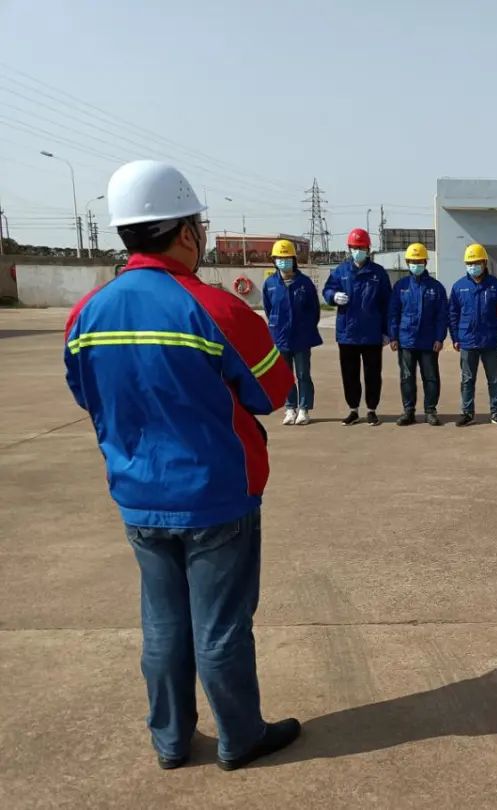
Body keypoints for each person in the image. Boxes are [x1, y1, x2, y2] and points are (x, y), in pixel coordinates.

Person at [63, 160, 301, 771]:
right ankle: (240, 737)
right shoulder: (216, 309)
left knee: (163, 625)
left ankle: (170, 740)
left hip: (138, 496)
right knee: (220, 628)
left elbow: (86, 394)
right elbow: (273, 392)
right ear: (187, 231)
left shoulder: (87, 313)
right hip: (215, 496)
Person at [322, 228, 391, 426]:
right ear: (349, 249)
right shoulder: (341, 271)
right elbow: (327, 289)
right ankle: (353, 409)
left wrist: (387, 331)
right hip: (348, 333)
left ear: (368, 249)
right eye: (354, 248)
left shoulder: (378, 273)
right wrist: (333, 296)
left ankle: (371, 410)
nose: (358, 251)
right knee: (349, 374)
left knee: (373, 374)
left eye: (361, 248)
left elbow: (387, 303)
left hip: (371, 334)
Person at [448, 243, 497, 426]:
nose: (473, 266)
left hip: (490, 341)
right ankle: (467, 413)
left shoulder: (496, 286)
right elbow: (453, 314)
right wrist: (455, 338)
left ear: (485, 263)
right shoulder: (459, 287)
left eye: (477, 262)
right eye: (470, 263)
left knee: (494, 380)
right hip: (467, 342)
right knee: (467, 380)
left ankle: (496, 412)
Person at [263, 239, 323, 426]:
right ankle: (290, 408)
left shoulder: (304, 283)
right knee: (285, 376)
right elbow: (268, 309)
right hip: (280, 337)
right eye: (280, 258)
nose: (283, 261)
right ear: (274, 260)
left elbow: (314, 310)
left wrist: (306, 327)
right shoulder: (270, 284)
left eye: (287, 258)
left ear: (294, 260)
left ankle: (304, 409)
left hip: (301, 338)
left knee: (303, 374)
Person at [389, 242, 449, 426]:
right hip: (406, 340)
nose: (416, 264)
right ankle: (408, 411)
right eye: (413, 261)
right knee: (407, 378)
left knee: (430, 377)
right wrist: (393, 336)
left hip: (429, 341)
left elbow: (442, 315)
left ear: (425, 262)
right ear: (408, 262)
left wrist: (439, 337)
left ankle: (430, 410)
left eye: (419, 261)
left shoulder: (436, 287)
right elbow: (393, 313)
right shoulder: (401, 286)